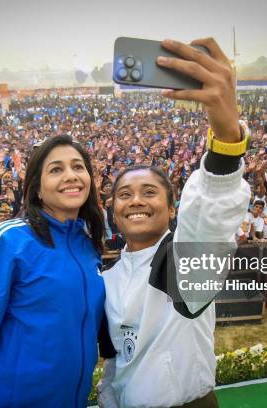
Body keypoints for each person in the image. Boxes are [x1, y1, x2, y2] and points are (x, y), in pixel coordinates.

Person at [97, 37, 250, 408]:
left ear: (170, 210)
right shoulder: (107, 279)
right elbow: (118, 360)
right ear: (113, 211)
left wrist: (227, 140)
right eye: (124, 194)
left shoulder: (180, 261)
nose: (135, 200)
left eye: (149, 192)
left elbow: (211, 219)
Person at [0, 135, 105, 407]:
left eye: (78, 167)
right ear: (36, 189)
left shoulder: (87, 246)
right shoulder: (5, 241)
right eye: (56, 169)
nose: (71, 176)